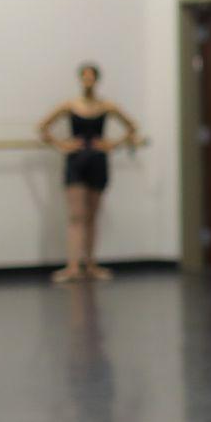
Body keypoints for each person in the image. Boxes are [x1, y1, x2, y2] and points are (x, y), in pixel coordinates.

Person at [37, 63, 140, 283]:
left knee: (92, 216)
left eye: (91, 78)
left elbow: (132, 127)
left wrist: (113, 144)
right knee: (76, 215)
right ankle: (73, 266)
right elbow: (43, 127)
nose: (88, 82)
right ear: (80, 80)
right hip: (76, 161)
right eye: (84, 78)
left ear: (96, 80)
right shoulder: (70, 105)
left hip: (97, 160)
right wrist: (61, 144)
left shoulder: (107, 106)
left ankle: (90, 264)